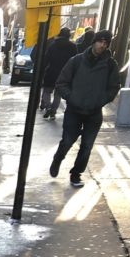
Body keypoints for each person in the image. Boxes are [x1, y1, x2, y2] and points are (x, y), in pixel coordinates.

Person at [50, 29, 121, 188]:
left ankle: (76, 174)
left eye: (105, 43)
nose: (102, 45)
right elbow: (61, 83)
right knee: (67, 141)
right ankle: (58, 159)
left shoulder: (110, 65)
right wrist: (72, 98)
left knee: (87, 145)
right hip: (74, 110)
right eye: (100, 41)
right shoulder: (76, 61)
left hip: (94, 112)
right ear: (94, 41)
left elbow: (114, 87)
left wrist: (100, 100)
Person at [40, 27, 77, 119]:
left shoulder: (52, 45)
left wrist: (43, 70)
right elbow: (75, 61)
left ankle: (48, 107)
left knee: (46, 91)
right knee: (58, 93)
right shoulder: (73, 46)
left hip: (51, 72)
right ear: (69, 35)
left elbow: (46, 59)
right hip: (65, 74)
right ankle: (53, 111)